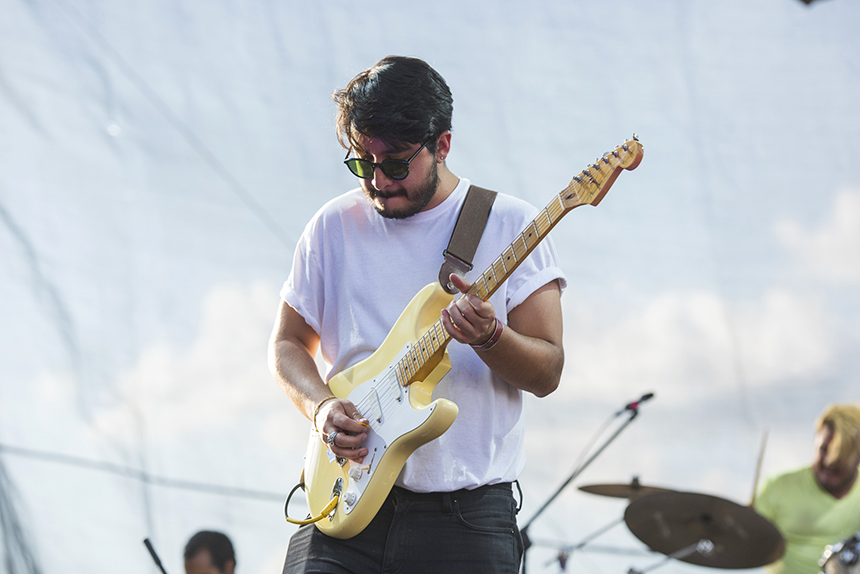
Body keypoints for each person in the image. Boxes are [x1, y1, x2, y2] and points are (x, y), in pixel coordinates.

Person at [268, 55, 566, 574]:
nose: (378, 180)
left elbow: (548, 372)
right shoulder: (332, 226)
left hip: (465, 518)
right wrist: (320, 409)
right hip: (343, 499)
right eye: (363, 162)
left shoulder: (512, 225)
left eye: (396, 164)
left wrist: (491, 337)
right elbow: (287, 344)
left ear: (441, 145)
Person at [755, 404, 860, 574]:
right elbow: (744, 538)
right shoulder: (779, 487)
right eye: (824, 449)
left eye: (840, 454)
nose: (829, 461)